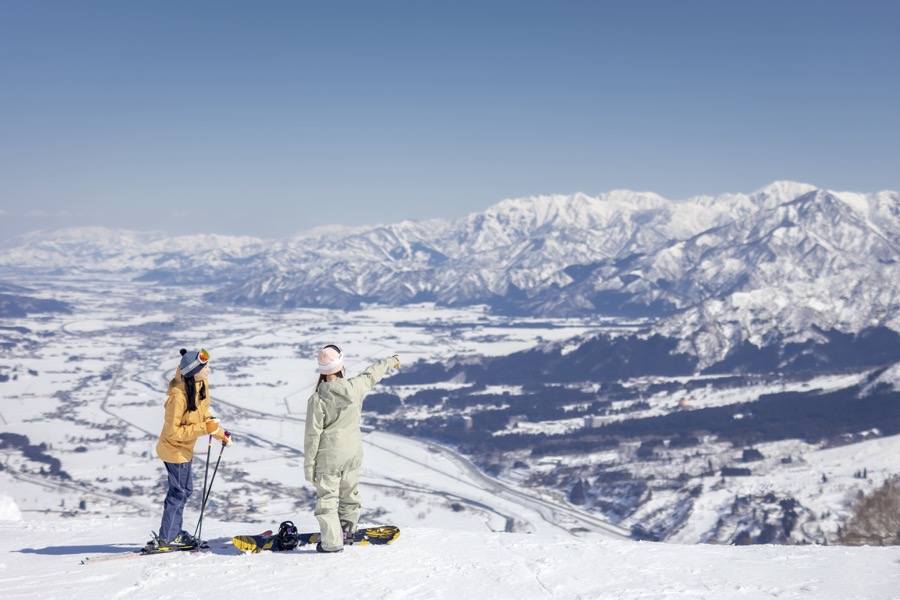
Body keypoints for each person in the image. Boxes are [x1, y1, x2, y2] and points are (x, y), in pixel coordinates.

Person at [304, 344, 400, 553]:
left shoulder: (317, 399)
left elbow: (313, 436)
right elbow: (372, 373)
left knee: (327, 499)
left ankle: (331, 543)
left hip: (329, 456)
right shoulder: (355, 387)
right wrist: (391, 361)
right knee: (349, 494)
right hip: (353, 452)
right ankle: (346, 533)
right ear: (340, 365)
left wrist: (309, 467)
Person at [153, 347, 232, 549]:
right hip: (173, 449)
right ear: (193, 371)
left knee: (185, 490)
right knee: (179, 492)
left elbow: (203, 414)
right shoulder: (178, 398)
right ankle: (168, 537)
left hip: (184, 449)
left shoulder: (200, 385)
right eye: (204, 367)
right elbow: (173, 433)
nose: (208, 370)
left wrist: (218, 432)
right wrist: (204, 429)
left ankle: (173, 533)